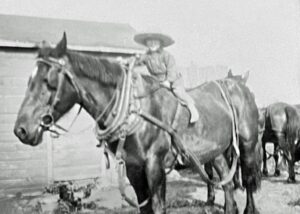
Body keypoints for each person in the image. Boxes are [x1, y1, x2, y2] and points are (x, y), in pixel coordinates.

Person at [134, 32, 199, 123]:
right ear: (146, 43)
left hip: (173, 81)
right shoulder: (146, 56)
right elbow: (137, 62)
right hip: (157, 82)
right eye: (150, 42)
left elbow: (171, 69)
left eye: (155, 42)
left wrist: (168, 81)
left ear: (160, 43)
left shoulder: (166, 55)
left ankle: (192, 109)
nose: (152, 44)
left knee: (179, 93)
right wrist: (127, 62)